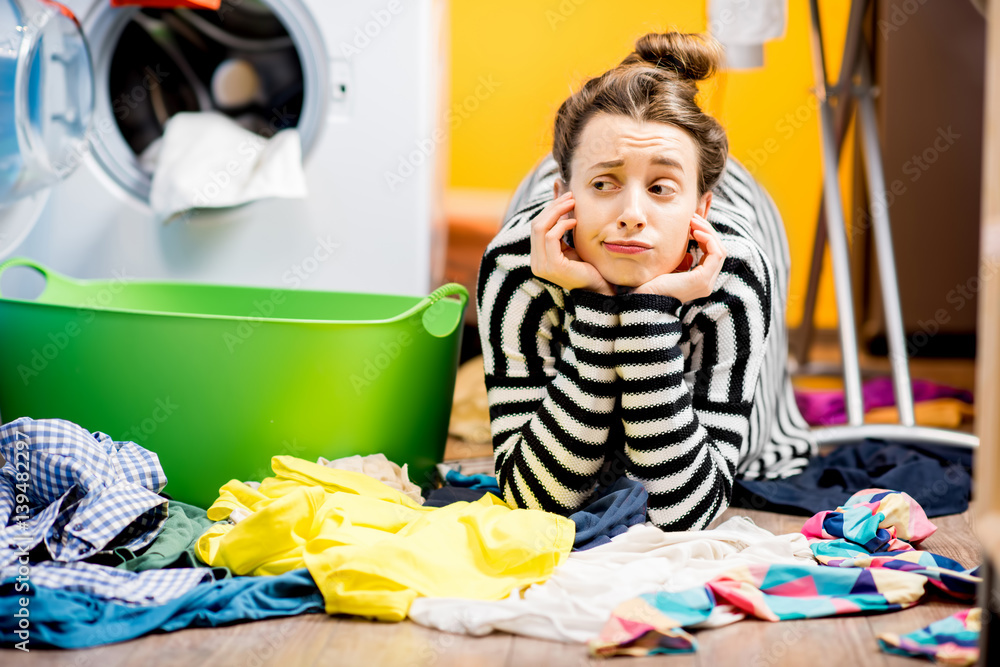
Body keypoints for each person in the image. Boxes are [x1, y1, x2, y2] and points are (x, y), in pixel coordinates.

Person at [476, 31, 817, 531]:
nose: (633, 214)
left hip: (743, 214)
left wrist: (648, 314)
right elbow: (533, 501)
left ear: (701, 208)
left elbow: (687, 512)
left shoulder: (734, 272)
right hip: (558, 227)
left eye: (660, 188)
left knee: (754, 437)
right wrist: (593, 303)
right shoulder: (516, 265)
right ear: (563, 197)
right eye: (603, 184)